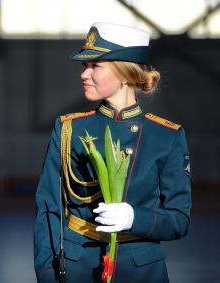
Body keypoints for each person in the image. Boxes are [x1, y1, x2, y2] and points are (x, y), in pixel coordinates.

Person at [34, 22, 191, 283]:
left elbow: (179, 219)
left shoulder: (167, 136)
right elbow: (49, 210)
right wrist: (47, 274)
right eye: (85, 66)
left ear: (126, 74)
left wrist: (135, 217)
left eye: (96, 65)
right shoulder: (68, 129)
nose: (84, 74)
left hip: (141, 271)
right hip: (77, 266)